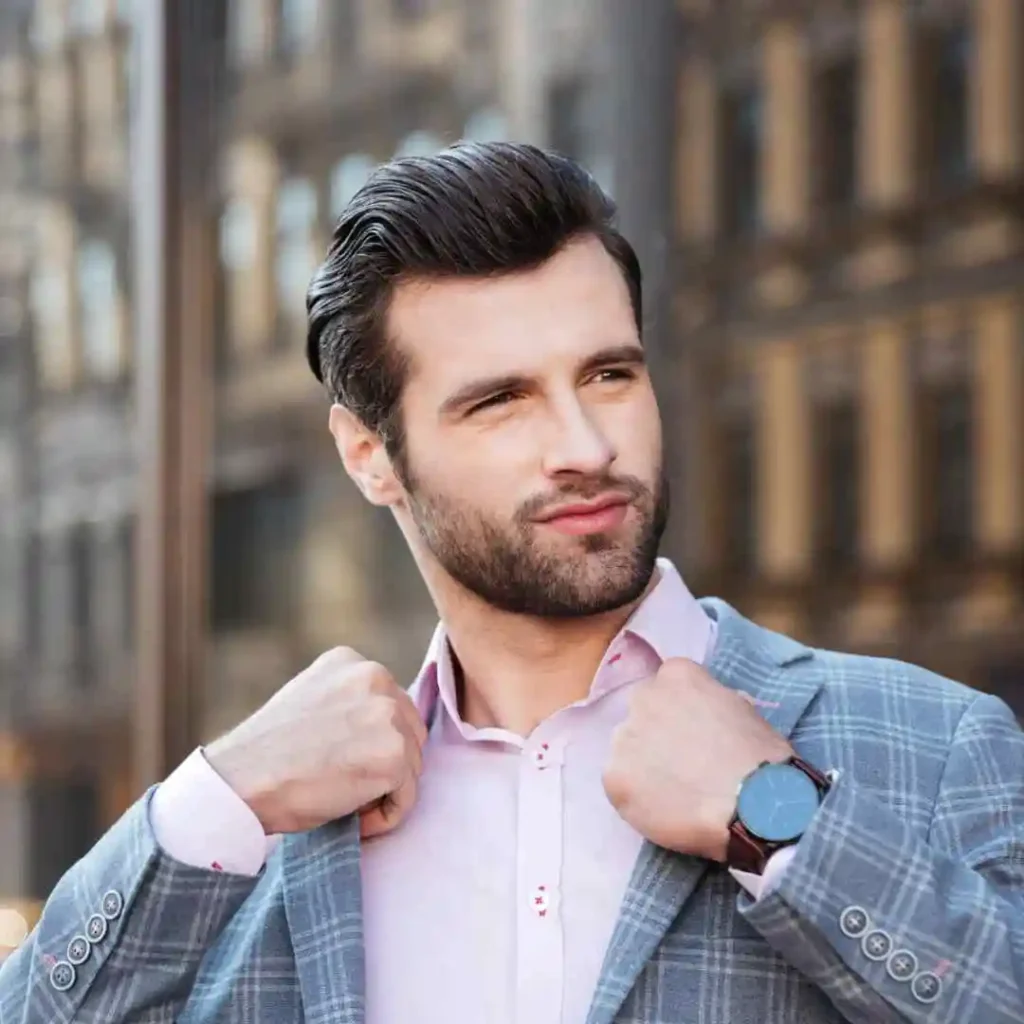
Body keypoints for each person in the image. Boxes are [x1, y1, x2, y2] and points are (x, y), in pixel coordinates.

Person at [2, 142, 1022, 1024]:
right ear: (370, 456)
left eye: (608, 375)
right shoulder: (278, 830)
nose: (584, 446)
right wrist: (217, 797)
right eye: (500, 402)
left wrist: (782, 825)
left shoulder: (934, 746)